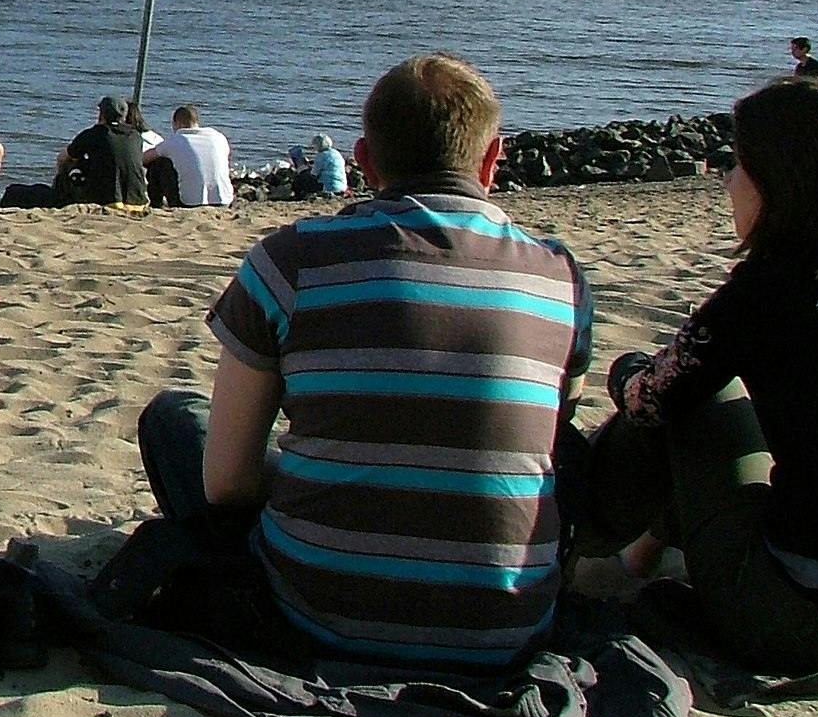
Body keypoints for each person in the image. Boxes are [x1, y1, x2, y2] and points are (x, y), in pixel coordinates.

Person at [137, 53, 591, 670]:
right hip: (505, 626)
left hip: (317, 612)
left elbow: (228, 484)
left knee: (174, 419)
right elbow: (549, 443)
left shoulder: (289, 261)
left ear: (363, 161)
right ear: (492, 159)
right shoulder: (562, 278)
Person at [574, 76, 818, 674]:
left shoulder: (765, 294)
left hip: (798, 618)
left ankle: (588, 547)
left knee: (700, 405)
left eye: (738, 166)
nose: (728, 181)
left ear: (778, 183)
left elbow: (652, 403)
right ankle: (637, 554)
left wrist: (626, 370)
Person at [53, 95, 147, 208]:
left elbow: (63, 157)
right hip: (138, 201)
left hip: (106, 200)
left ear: (102, 114)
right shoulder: (136, 136)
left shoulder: (93, 134)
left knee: (69, 163)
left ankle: (58, 198)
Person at [142, 105, 234, 209]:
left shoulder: (176, 140)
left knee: (158, 164)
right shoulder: (218, 136)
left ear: (178, 123)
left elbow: (145, 158)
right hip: (224, 201)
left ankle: (156, 204)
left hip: (190, 203)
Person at [288, 134, 348, 198]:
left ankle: (297, 195)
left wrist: (305, 168)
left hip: (328, 187)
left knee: (300, 178)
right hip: (342, 186)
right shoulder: (336, 153)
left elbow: (314, 174)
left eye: (314, 145)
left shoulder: (321, 155)